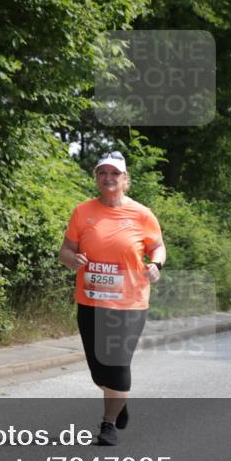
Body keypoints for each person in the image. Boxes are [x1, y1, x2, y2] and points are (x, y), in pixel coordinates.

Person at [59, 151, 165, 446]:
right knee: (98, 370)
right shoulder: (83, 212)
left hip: (129, 303)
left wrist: (155, 265)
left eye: (114, 173)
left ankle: (108, 424)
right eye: (102, 173)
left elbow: (158, 247)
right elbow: (65, 251)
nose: (108, 178)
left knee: (117, 364)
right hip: (91, 300)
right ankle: (119, 400)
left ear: (125, 179)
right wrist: (72, 259)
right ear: (96, 178)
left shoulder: (142, 214)